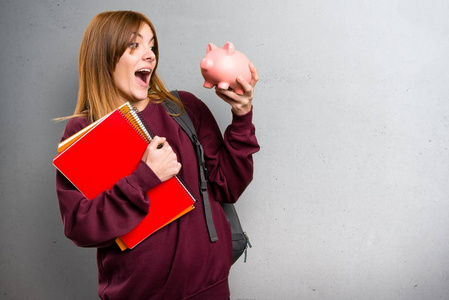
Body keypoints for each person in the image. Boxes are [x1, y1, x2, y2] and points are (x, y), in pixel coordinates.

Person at [55, 10, 259, 300]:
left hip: (210, 289)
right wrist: (144, 178)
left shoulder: (183, 108)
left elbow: (229, 185)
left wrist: (242, 116)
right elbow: (80, 227)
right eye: (134, 45)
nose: (150, 55)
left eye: (152, 45)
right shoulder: (84, 132)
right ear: (105, 56)